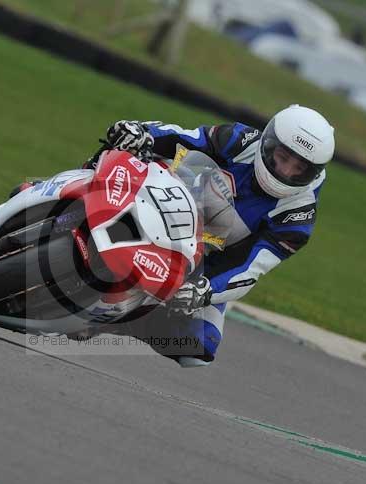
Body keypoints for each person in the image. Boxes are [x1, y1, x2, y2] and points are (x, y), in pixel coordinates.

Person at [92, 105, 335, 368]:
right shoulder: (241, 140)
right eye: (282, 157)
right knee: (123, 144)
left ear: (313, 172)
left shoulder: (298, 217)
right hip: (163, 201)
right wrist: (144, 133)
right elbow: (186, 137)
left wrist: (206, 289)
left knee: (198, 346)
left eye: (298, 168)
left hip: (201, 260)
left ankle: (113, 321)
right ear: (269, 143)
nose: (285, 172)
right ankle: (71, 199)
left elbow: (249, 268)